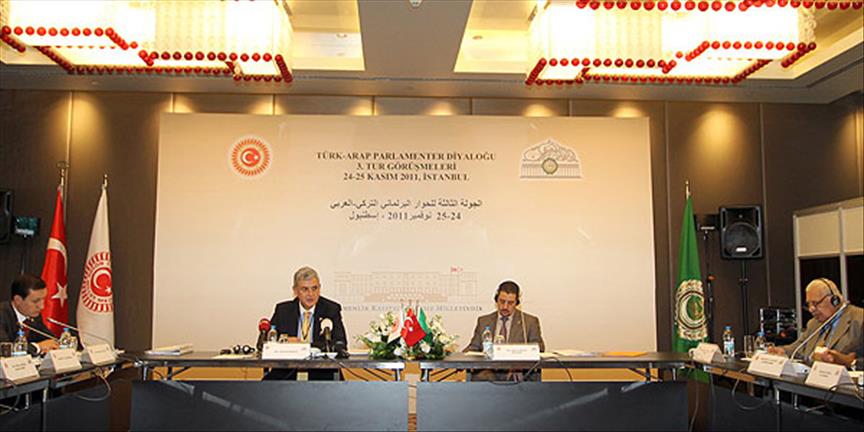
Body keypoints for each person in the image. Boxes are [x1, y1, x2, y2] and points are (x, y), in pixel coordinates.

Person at [263, 266, 347, 380]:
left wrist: (302, 347)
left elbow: (341, 344)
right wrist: (285, 341)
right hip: (286, 372)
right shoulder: (283, 310)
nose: (311, 294)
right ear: (295, 290)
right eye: (305, 289)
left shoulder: (331, 309)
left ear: (320, 288)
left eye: (314, 288)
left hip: (323, 374)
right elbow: (267, 343)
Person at [767, 278, 863, 366]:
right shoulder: (813, 323)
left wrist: (849, 362)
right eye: (808, 304)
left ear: (834, 300)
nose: (811, 309)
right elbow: (798, 348)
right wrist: (781, 351)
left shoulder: (860, 319)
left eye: (815, 303)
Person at [464, 280, 545, 381]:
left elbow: (539, 348)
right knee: (483, 377)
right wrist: (458, 357)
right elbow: (473, 348)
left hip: (517, 371)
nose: (505, 307)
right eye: (502, 301)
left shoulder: (529, 322)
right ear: (496, 300)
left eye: (510, 303)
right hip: (489, 371)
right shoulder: (483, 321)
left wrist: (520, 364)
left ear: (517, 303)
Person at [0, 273, 60, 355]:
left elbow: (50, 339)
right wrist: (37, 347)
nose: (42, 306)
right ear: (18, 300)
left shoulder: (33, 316)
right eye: (36, 301)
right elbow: (4, 349)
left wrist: (52, 345)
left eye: (43, 299)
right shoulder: (2, 314)